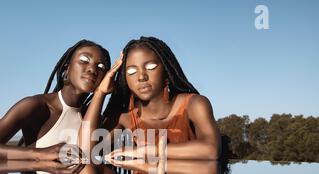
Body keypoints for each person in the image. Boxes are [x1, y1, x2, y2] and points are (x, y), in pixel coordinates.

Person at [0, 39, 111, 174]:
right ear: (67, 68)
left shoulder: (92, 118)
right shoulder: (37, 106)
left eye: (101, 67)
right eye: (84, 60)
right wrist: (40, 155)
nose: (92, 69)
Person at [87, 36, 221, 162]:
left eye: (150, 67)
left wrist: (147, 151)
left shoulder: (194, 104)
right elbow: (88, 151)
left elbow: (212, 150)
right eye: (132, 72)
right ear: (125, 80)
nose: (141, 77)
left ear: (167, 71)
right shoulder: (125, 118)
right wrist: (100, 92)